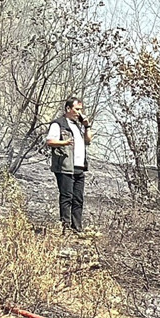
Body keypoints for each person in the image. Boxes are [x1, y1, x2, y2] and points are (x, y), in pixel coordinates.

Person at [46, 97, 93, 234]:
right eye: (77, 109)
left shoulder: (78, 126)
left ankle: (77, 227)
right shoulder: (58, 124)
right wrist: (64, 143)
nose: (79, 112)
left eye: (81, 109)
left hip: (79, 166)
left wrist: (87, 126)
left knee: (78, 198)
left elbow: (88, 140)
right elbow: (49, 141)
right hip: (65, 165)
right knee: (67, 196)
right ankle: (65, 227)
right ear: (68, 109)